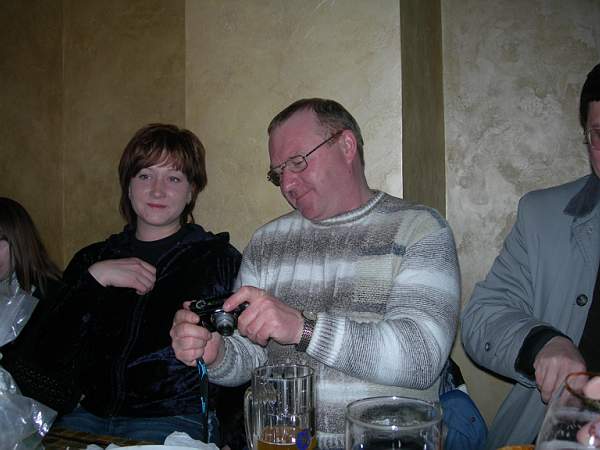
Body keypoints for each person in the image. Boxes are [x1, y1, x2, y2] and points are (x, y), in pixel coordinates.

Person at [171, 98, 461, 448]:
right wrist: (216, 352)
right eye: (278, 173)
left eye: (297, 162)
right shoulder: (266, 243)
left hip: (387, 442)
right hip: (286, 441)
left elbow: (422, 357)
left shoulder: (419, 229)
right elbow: (251, 357)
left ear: (347, 145)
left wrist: (303, 328)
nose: (287, 184)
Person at [49, 124, 244, 446]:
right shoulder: (92, 259)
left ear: (192, 191)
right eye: (144, 175)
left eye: (174, 178)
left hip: (174, 419)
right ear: (128, 185)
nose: (157, 191)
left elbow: (243, 363)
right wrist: (94, 280)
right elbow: (46, 352)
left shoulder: (219, 260)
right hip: (87, 414)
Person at [461, 62, 600, 449]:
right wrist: (542, 343)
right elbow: (482, 317)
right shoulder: (543, 215)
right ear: (587, 138)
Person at [0, 197, 80, 414]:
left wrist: (7, 363)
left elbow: (62, 393)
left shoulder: (54, 298)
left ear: (19, 241)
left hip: (36, 418)